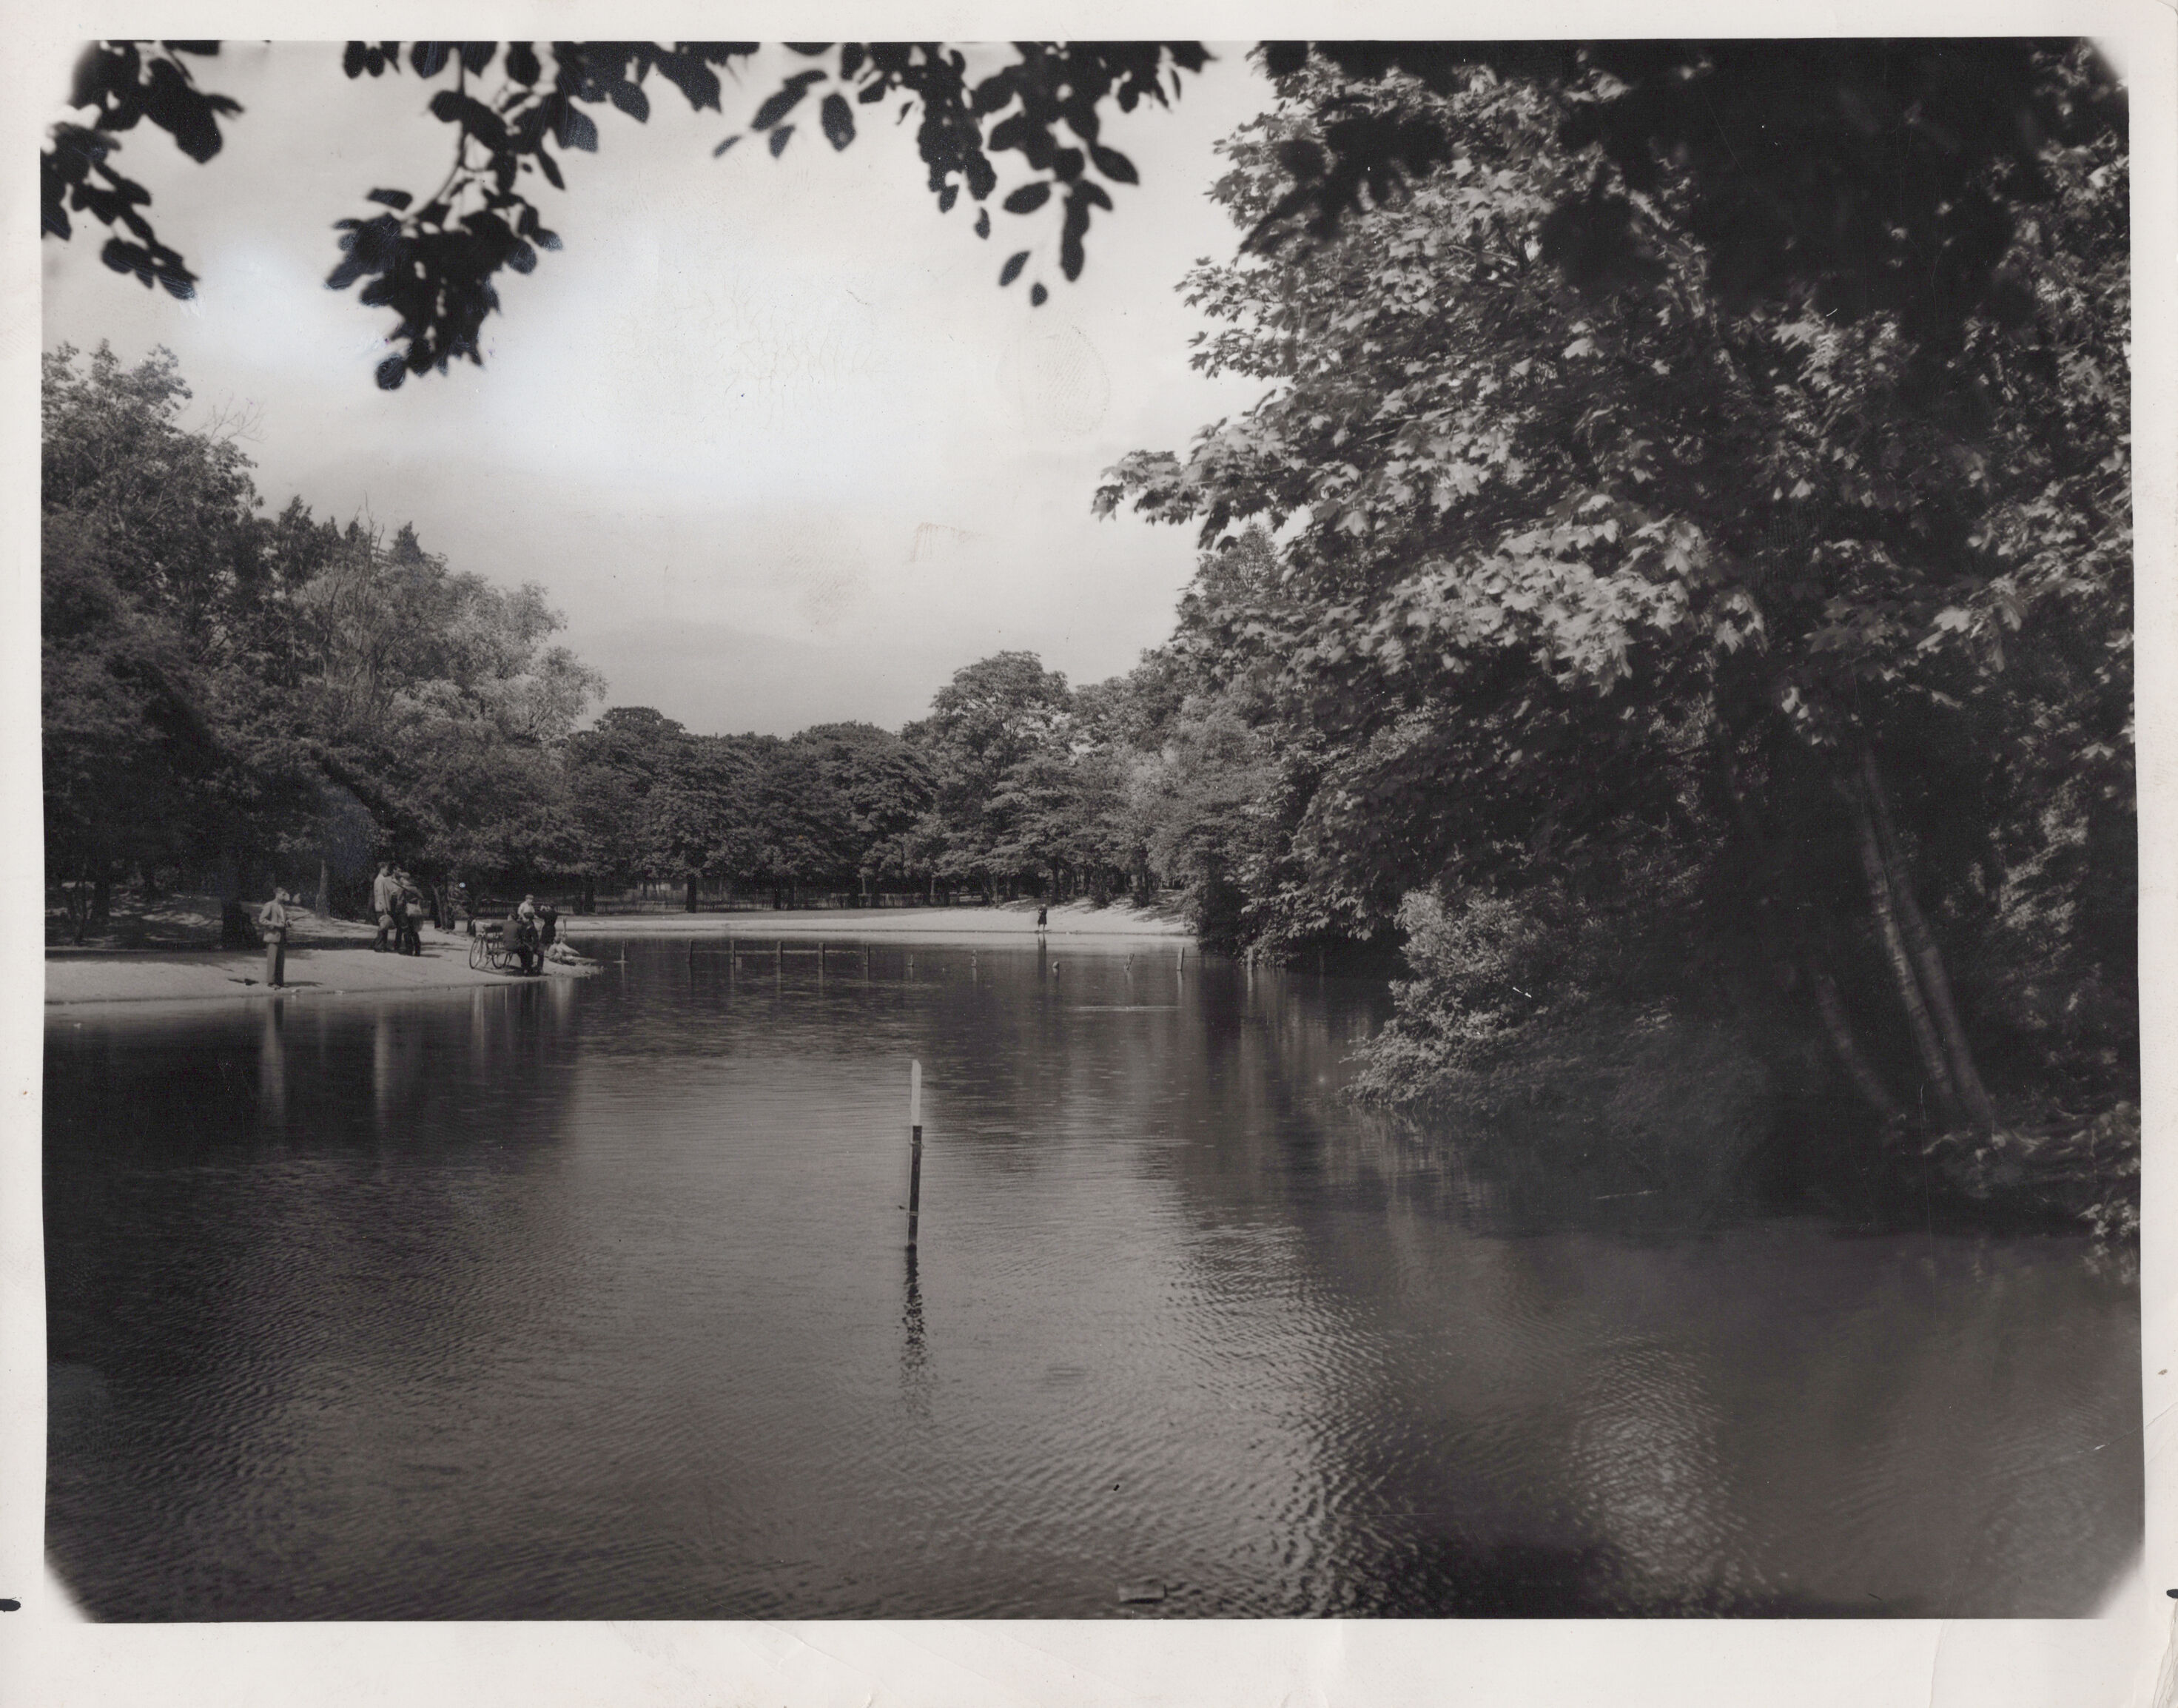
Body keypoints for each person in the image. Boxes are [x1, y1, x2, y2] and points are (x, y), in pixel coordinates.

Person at [258, 890, 290, 989]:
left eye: (285, 894)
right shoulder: (270, 905)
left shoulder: (283, 907)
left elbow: (285, 920)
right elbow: (262, 920)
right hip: (272, 936)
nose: (284, 896)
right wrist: (275, 925)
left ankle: (280, 982)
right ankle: (271, 982)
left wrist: (289, 922)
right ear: (277, 894)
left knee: (281, 960)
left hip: (282, 936)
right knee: (272, 960)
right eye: (283, 894)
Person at [370, 861, 398, 952]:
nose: (387, 871)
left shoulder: (382, 879)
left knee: (385, 926)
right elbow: (380, 895)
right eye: (386, 869)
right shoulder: (380, 880)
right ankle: (378, 946)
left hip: (384, 905)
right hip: (382, 906)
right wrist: (384, 908)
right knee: (383, 926)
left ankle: (383, 945)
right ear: (382, 869)